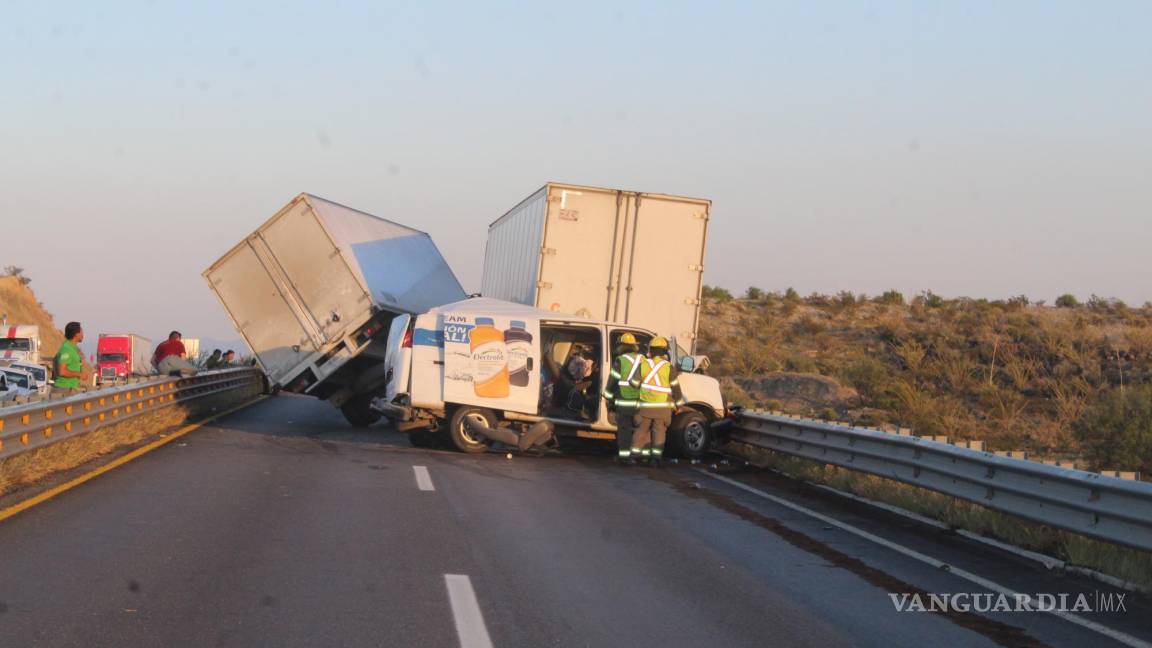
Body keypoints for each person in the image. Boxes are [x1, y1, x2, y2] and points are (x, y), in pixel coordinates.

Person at [632, 336, 685, 467]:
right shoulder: (668, 367)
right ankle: (655, 459)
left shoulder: (643, 364)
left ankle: (633, 457)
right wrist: (679, 404)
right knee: (659, 432)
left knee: (641, 431)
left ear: (651, 350)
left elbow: (633, 383)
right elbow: (675, 387)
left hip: (645, 406)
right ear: (664, 352)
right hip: (662, 408)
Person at [601, 332, 645, 465]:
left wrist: (607, 398)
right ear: (634, 346)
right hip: (640, 402)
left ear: (621, 346)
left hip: (624, 401)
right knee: (640, 430)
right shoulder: (643, 359)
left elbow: (613, 380)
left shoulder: (620, 360)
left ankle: (624, 457)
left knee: (624, 430)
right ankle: (639, 456)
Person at [53, 321, 85, 394]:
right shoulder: (66, 349)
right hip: (64, 389)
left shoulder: (72, 348)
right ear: (76, 334)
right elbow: (62, 371)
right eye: (81, 332)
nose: (83, 334)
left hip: (70, 388)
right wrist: (79, 374)